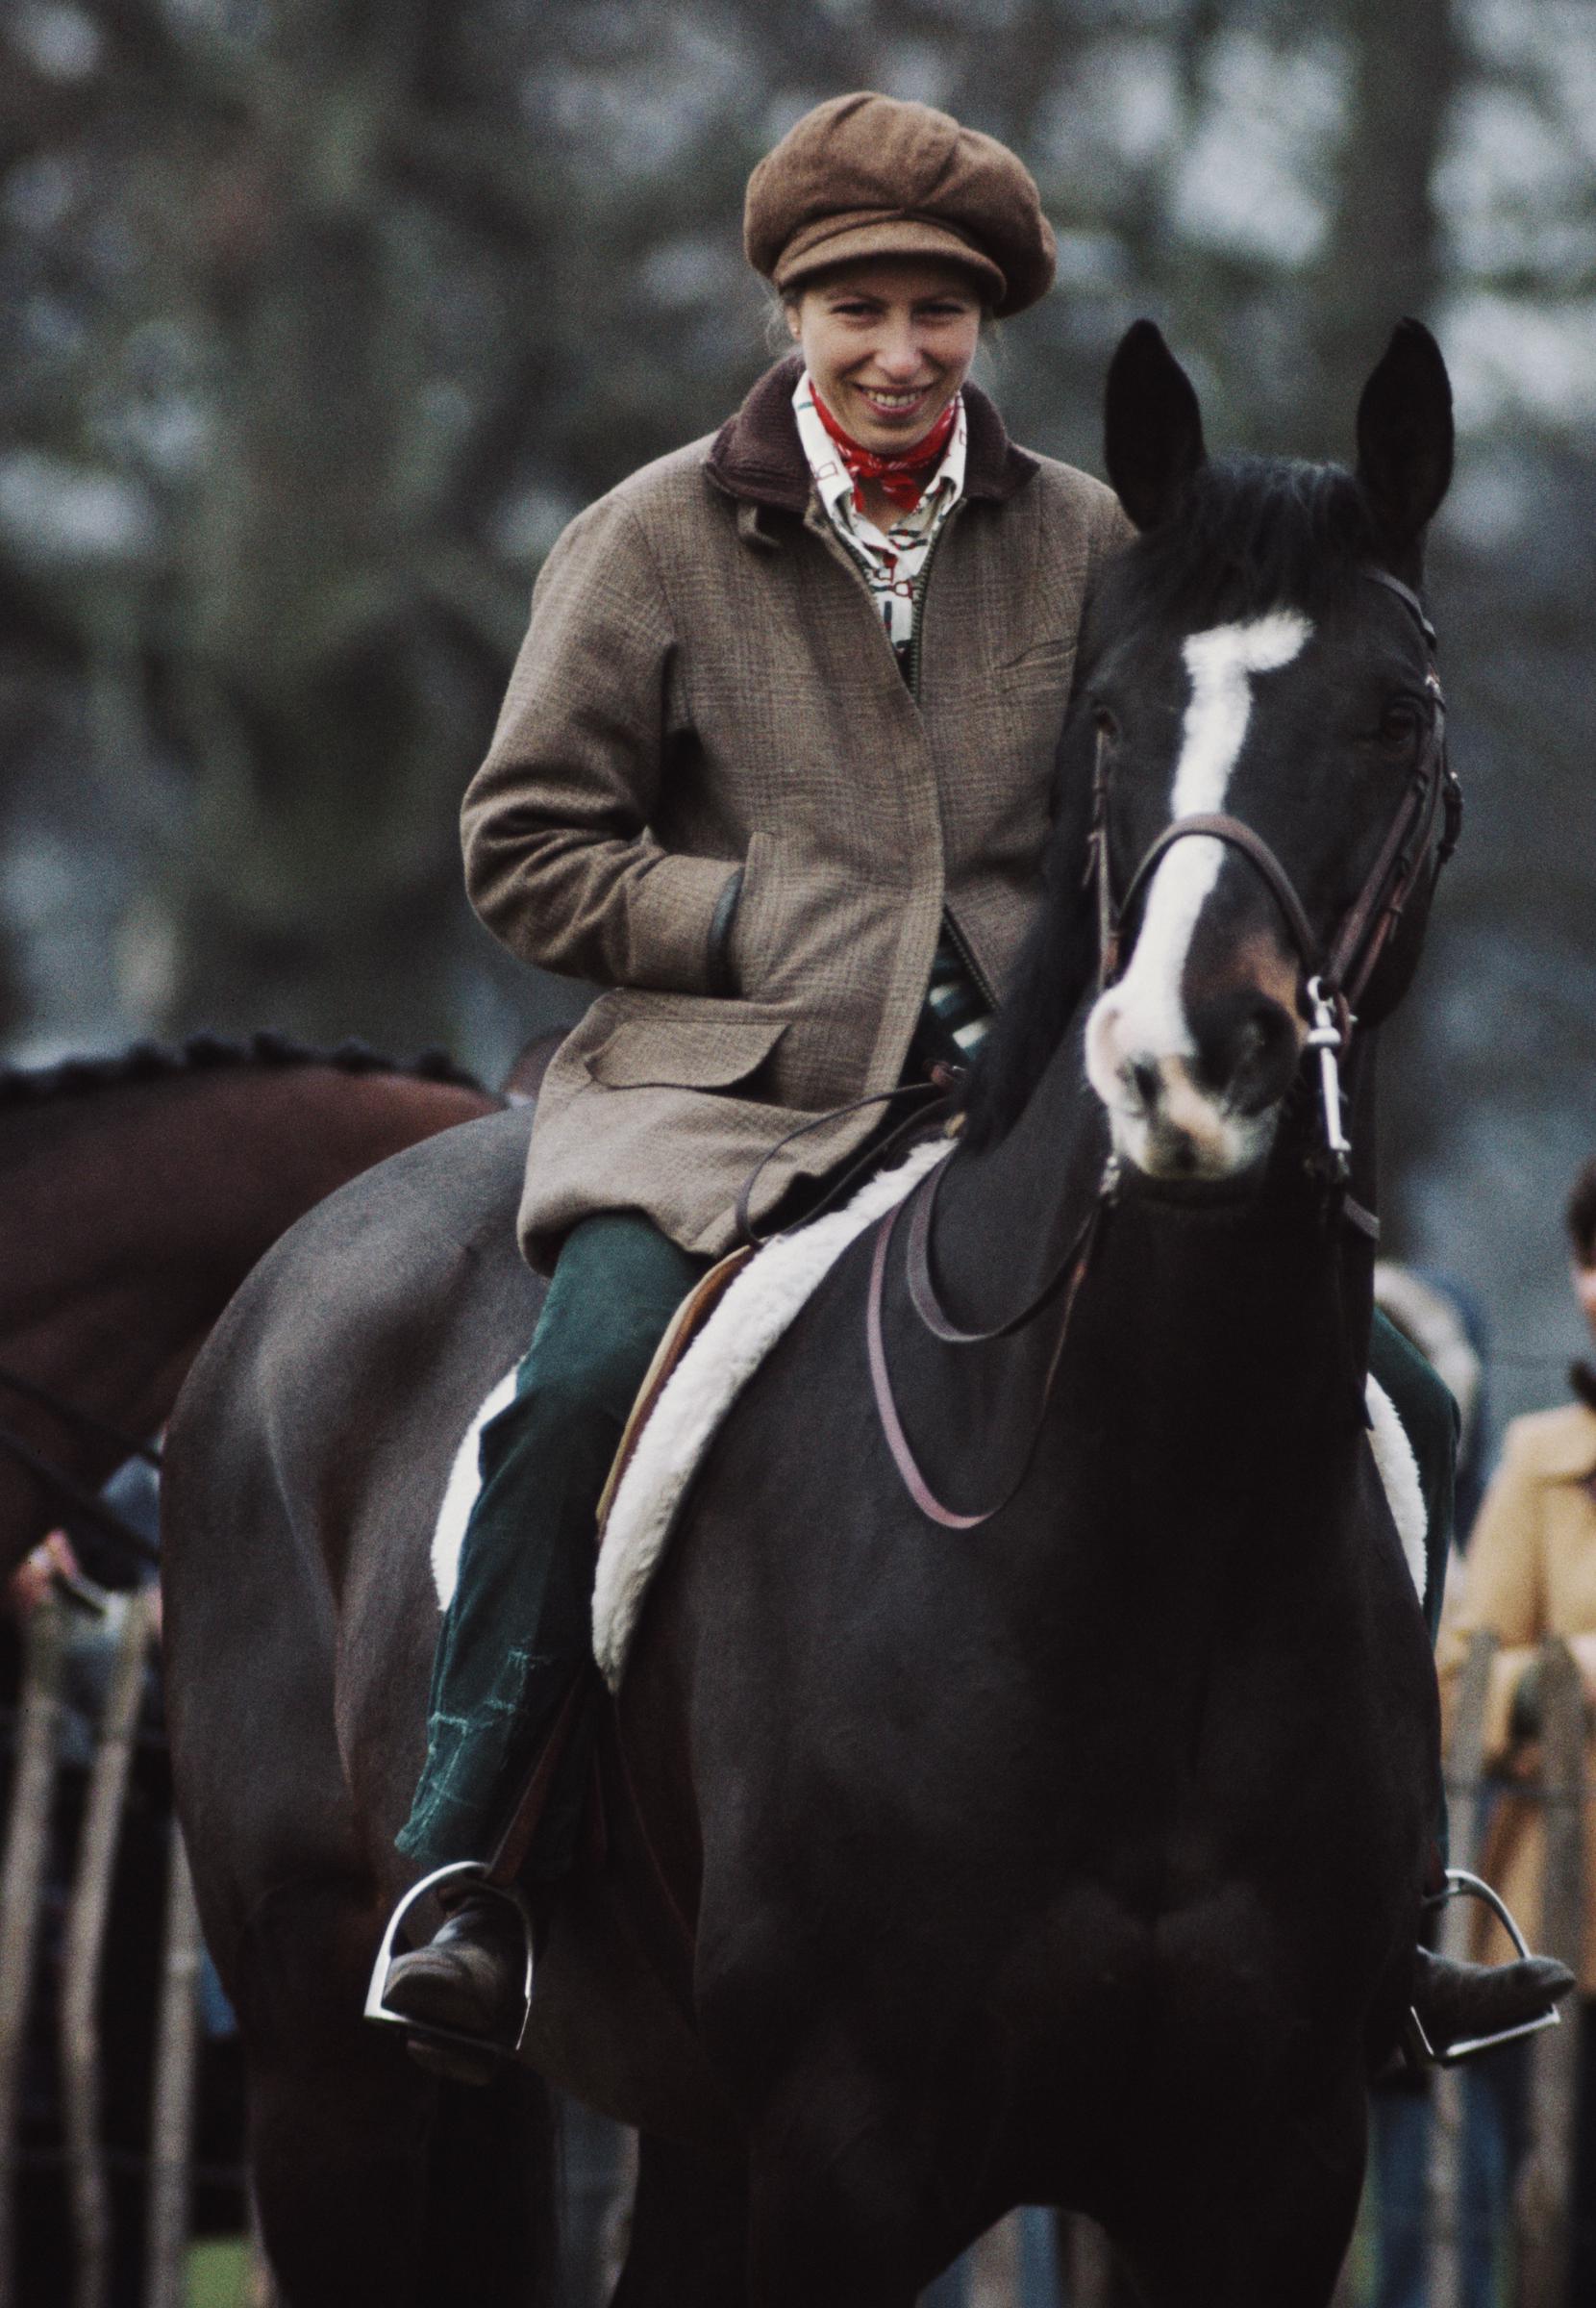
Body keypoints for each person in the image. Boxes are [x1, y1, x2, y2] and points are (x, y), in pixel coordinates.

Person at [378, 89, 1566, 2071]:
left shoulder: (1101, 539)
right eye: (856, 306)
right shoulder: (647, 540)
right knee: (581, 1379)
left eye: (938, 310)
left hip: (1026, 1115)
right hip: (716, 1109)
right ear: (789, 311)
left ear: (986, 326)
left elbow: (1185, 795)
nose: (899, 351)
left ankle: (1374, 1914)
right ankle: (472, 1866)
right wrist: (771, 926)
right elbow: (523, 850)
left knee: (1412, 1397)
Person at [1437, 1159, 1596, 2302]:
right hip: (1564, 1948)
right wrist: (1561, 1685)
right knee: (1552, 2245)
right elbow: (1456, 1688)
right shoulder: (1543, 1464)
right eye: (1593, 1260)